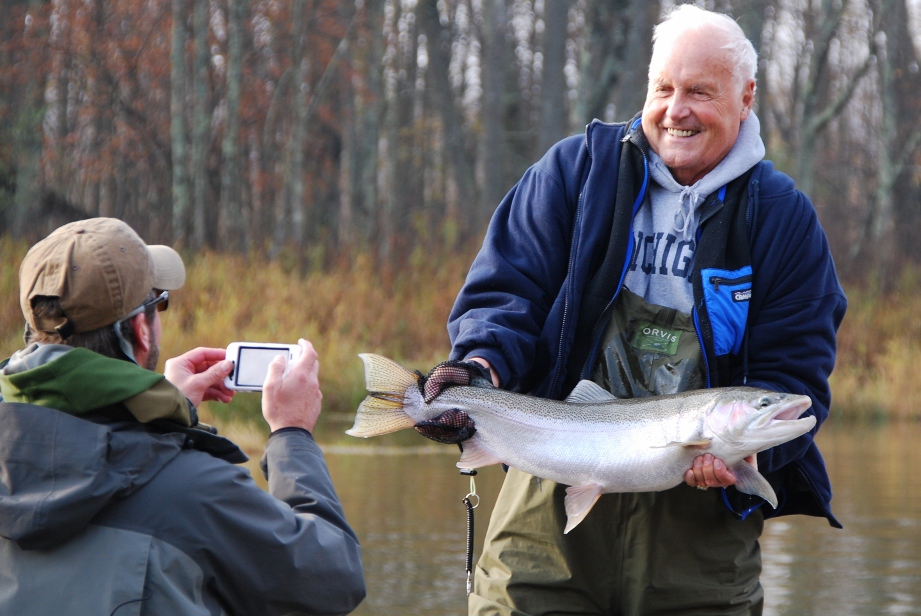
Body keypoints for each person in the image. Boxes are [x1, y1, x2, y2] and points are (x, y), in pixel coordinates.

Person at [446, 5, 846, 615]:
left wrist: (749, 458)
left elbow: (797, 376)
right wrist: (478, 368)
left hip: (701, 542)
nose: (676, 110)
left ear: (746, 98)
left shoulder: (782, 218)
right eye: (664, 89)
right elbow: (507, 291)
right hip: (547, 499)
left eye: (700, 93)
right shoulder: (574, 173)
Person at [0, 217, 365, 615]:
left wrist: (161, 410)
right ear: (141, 330)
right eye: (159, 304)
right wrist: (292, 434)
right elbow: (334, 578)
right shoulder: (196, 492)